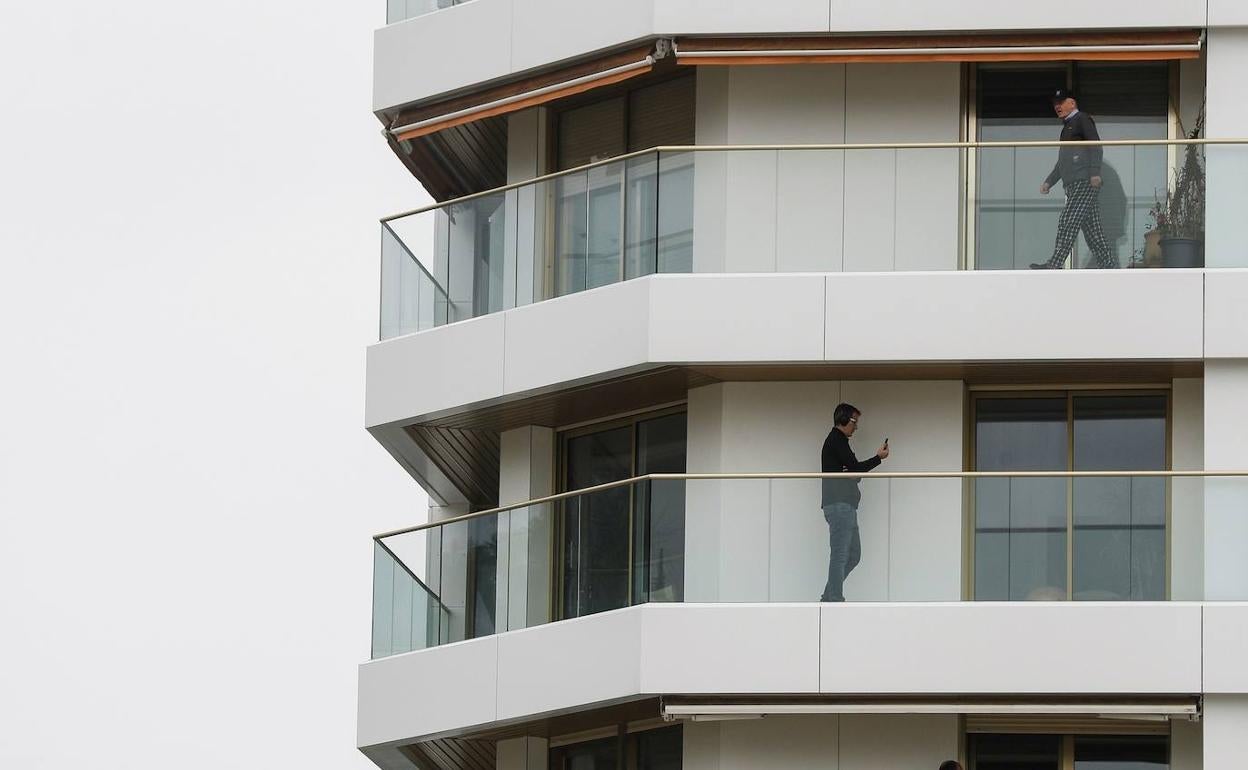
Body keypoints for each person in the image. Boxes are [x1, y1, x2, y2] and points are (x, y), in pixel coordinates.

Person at [1031, 88, 1119, 270]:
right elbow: (1062, 161)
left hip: (1084, 182)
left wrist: (1094, 173)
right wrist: (1049, 181)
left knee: (1068, 220)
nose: (1057, 106)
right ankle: (1109, 265)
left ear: (1072, 103)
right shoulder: (1066, 129)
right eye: (1055, 103)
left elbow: (1096, 146)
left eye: (1061, 102)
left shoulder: (1082, 119)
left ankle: (1055, 263)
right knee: (1093, 231)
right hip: (1072, 185)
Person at [820, 403, 888, 602]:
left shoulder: (839, 442)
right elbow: (856, 469)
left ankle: (829, 595)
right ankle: (834, 598)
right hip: (839, 505)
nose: (856, 426)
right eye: (854, 421)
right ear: (843, 420)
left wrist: (851, 473)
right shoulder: (836, 440)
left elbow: (854, 473)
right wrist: (878, 458)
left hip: (846, 505)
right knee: (841, 554)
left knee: (853, 555)